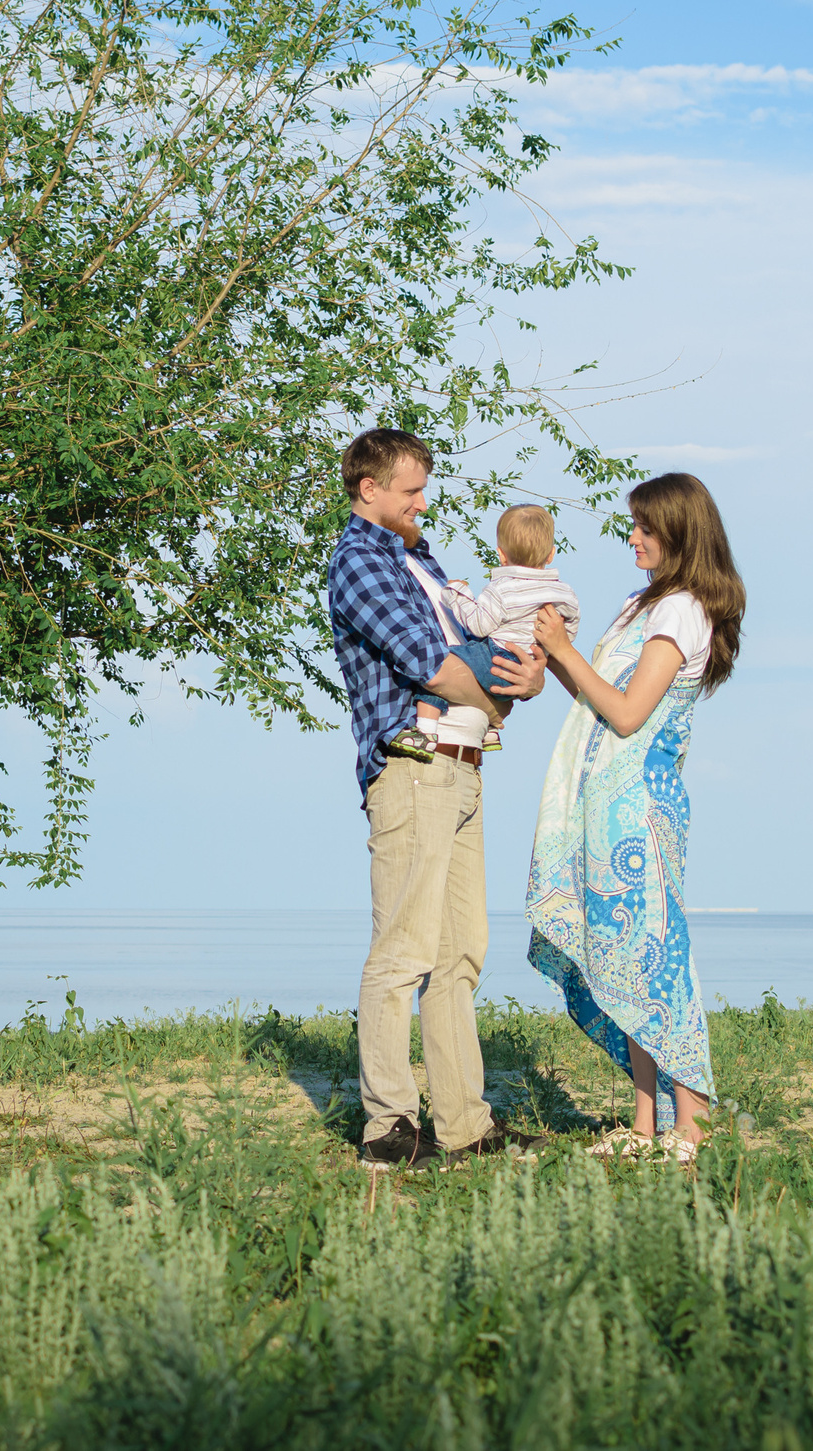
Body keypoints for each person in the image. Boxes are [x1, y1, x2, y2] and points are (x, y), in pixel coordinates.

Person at [327, 428, 547, 1170]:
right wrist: (493, 693)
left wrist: (520, 682)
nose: (424, 502)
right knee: (403, 952)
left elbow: (482, 653)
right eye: (411, 490)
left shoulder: (419, 558)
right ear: (370, 490)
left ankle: (463, 1124)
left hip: (463, 766)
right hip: (411, 765)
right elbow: (430, 662)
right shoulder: (358, 562)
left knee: (459, 953)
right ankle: (388, 1125)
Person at [525, 472, 746, 1163]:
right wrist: (552, 649)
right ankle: (648, 1125)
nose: (632, 537)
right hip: (605, 803)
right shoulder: (640, 605)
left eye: (644, 528)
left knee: (657, 955)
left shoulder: (680, 610)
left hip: (640, 809)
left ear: (678, 532)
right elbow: (596, 697)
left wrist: (563, 650)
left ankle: (695, 1120)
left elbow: (626, 713)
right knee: (623, 958)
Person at [400, 504, 580, 756]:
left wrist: (458, 594)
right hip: (526, 664)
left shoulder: (503, 589)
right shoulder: (564, 593)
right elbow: (567, 633)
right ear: (551, 554)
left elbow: (478, 624)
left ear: (501, 554)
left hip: (496, 656)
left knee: (439, 660)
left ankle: (425, 731)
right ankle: (491, 729)